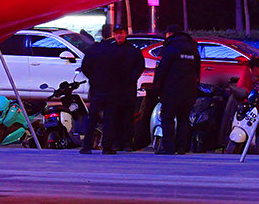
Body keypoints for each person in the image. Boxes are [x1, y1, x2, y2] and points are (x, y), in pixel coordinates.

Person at [76, 26, 142, 154]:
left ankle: (87, 146)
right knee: (110, 119)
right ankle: (107, 147)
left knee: (93, 118)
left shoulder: (93, 50)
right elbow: (122, 70)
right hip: (113, 90)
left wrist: (94, 79)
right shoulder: (116, 51)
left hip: (97, 89)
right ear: (112, 35)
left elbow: (85, 67)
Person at [151, 28, 201, 154]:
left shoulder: (170, 48)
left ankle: (169, 146)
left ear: (170, 34)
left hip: (171, 90)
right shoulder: (193, 49)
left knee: (167, 118)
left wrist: (157, 86)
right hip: (188, 90)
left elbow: (162, 69)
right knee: (184, 119)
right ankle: (181, 147)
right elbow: (197, 70)